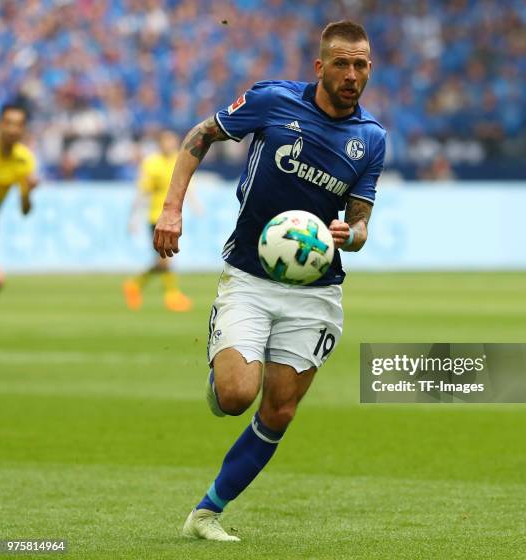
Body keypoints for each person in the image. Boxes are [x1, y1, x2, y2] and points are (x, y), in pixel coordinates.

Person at [154, 20, 386, 541]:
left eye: (362, 65)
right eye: (343, 64)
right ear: (320, 66)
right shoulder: (274, 101)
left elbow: (363, 222)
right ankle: (222, 372)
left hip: (317, 292)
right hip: (251, 277)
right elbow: (202, 134)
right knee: (237, 395)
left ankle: (207, 512)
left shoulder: (371, 139)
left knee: (279, 408)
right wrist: (171, 209)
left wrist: (351, 234)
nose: (352, 75)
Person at [123, 129, 194, 312]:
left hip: (174, 216)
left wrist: (195, 203)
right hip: (157, 217)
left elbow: (184, 184)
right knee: (165, 258)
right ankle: (171, 295)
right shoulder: (151, 163)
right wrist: (134, 218)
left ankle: (135, 285)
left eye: (172, 141)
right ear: (160, 143)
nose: (169, 144)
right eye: (165, 141)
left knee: (164, 259)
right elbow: (142, 191)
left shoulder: (178, 160)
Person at [0, 104, 38, 289]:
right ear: (1, 124)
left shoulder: (24, 160)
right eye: (8, 123)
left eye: (18, 124)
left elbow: (25, 211)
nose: (13, 129)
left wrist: (28, 193)